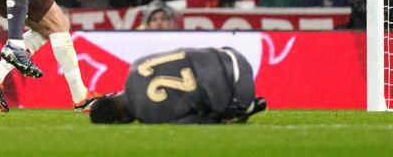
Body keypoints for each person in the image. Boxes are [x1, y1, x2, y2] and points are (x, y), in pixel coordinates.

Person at [88, 47, 266, 125]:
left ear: (122, 120)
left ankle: (242, 110)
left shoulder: (148, 115)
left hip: (238, 90)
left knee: (217, 116)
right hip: (231, 54)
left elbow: (195, 122)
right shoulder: (136, 66)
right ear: (111, 96)